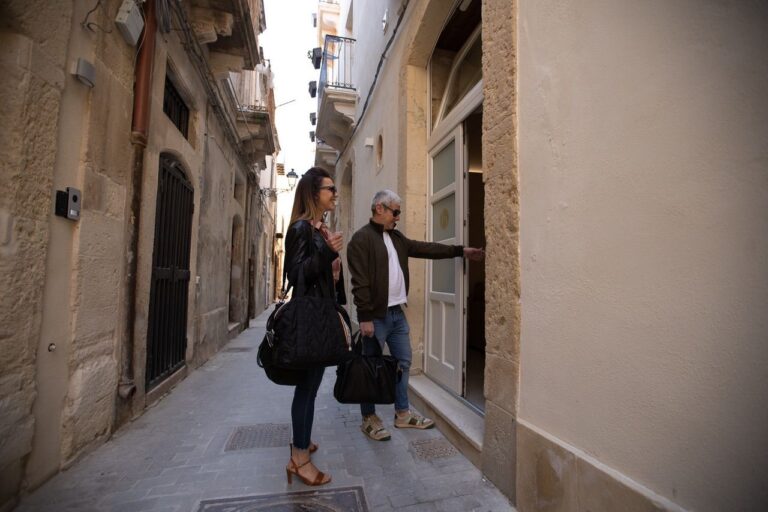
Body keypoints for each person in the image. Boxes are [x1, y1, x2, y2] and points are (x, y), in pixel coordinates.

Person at [346, 189, 484, 441]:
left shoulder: (396, 237)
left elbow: (425, 248)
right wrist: (364, 317)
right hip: (375, 317)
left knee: (403, 362)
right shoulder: (361, 239)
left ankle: (402, 413)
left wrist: (461, 251)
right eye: (395, 212)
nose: (398, 217)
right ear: (380, 208)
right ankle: (369, 418)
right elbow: (360, 282)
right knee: (370, 368)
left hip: (397, 314)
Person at [283, 167, 345, 485]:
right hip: (309, 318)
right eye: (330, 189)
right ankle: (299, 459)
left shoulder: (319, 230)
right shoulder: (300, 229)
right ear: (313, 193)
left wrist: (333, 266)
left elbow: (323, 275)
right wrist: (327, 253)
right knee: (306, 388)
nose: (335, 193)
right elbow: (296, 274)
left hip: (321, 315)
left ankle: (303, 440)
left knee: (312, 385)